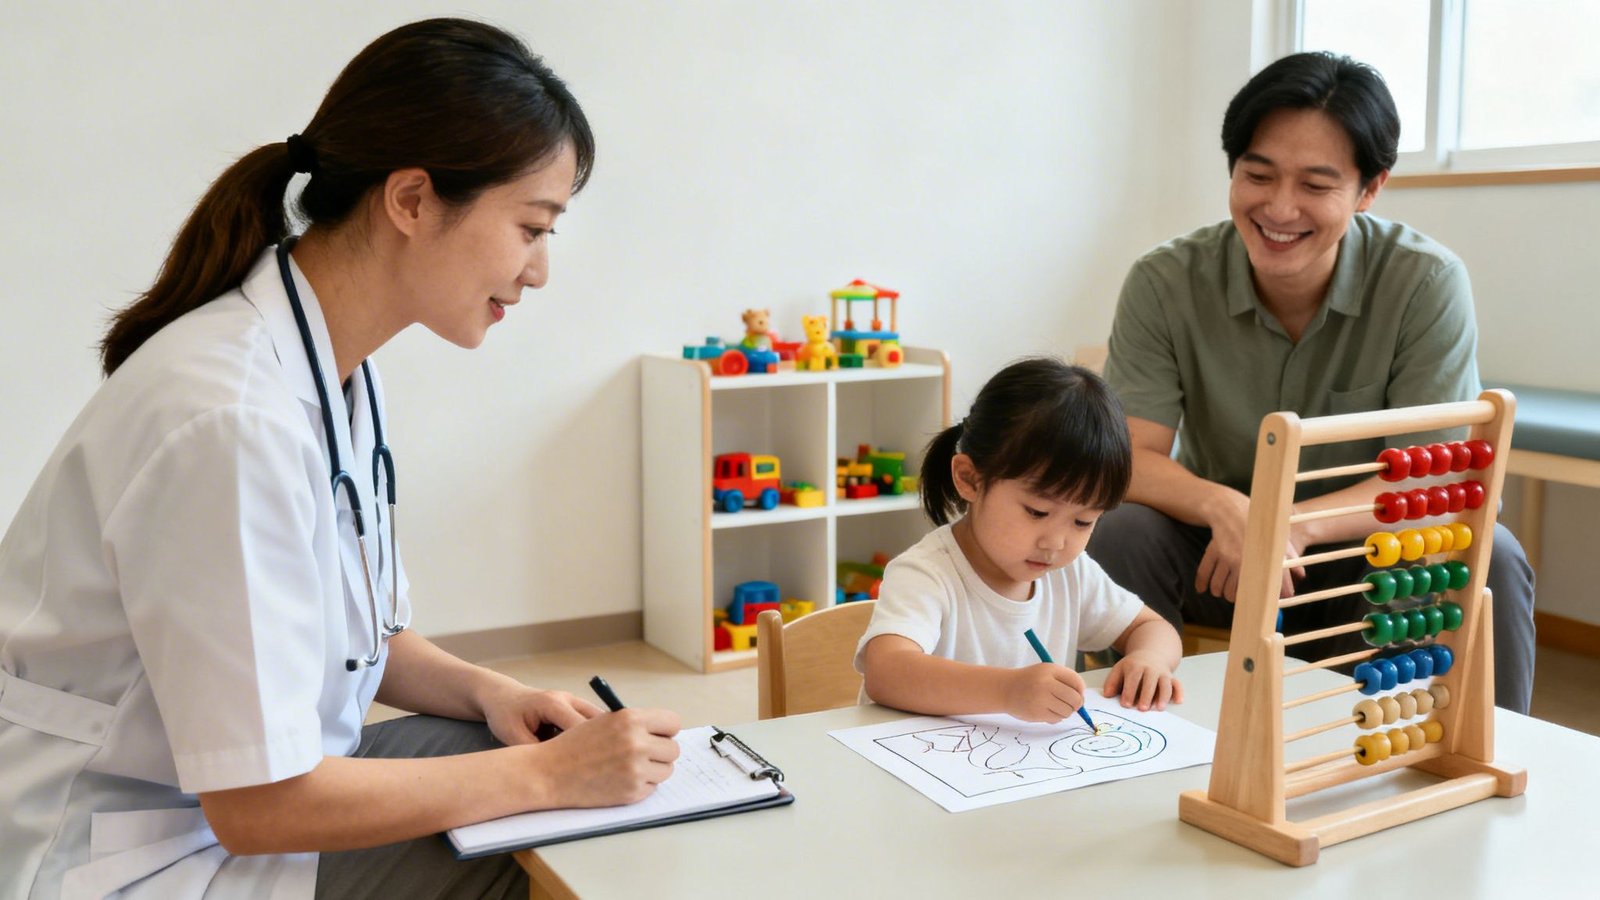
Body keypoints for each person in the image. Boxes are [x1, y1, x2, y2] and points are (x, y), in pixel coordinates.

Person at [0, 18, 682, 899]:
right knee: (540, 845)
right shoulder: (231, 420)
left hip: (215, 809)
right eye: (531, 226)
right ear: (410, 200)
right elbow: (262, 807)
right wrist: (557, 777)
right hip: (136, 860)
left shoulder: (331, 372)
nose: (540, 269)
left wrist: (487, 691)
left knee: (504, 757)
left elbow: (353, 640)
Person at [1087, 51, 1536, 713]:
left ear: (1370, 188)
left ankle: (1497, 751)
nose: (1279, 207)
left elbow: (1431, 476)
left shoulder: (1424, 281)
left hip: (1369, 553)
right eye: (1257, 174)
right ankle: (1128, 733)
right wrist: (1228, 510)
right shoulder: (1165, 281)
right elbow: (1128, 458)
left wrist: (1285, 525)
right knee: (1118, 530)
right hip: (1221, 553)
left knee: (1490, 552)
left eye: (1316, 185)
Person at [855, 358, 1183, 723]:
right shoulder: (927, 574)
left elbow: (1152, 628)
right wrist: (1007, 691)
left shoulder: (1070, 574)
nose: (1056, 542)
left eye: (1083, 521)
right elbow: (886, 672)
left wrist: (1149, 659)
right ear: (970, 479)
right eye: (1037, 512)